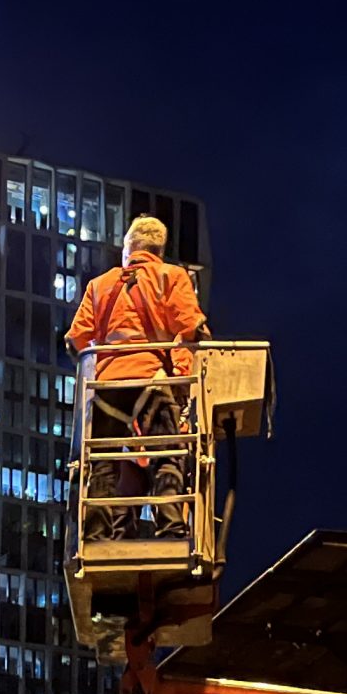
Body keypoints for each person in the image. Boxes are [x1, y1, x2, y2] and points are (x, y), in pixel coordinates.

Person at [66, 215, 208, 538]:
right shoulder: (170, 276)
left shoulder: (99, 286)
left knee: (102, 462)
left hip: (106, 385)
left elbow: (75, 340)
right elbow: (192, 327)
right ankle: (171, 527)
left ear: (128, 249)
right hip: (151, 380)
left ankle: (96, 535)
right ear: (159, 249)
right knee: (167, 453)